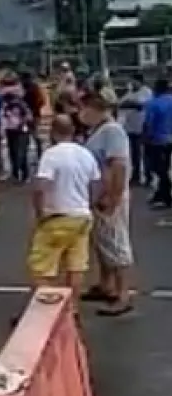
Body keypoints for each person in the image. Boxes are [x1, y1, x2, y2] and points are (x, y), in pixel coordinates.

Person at [26, 116, 101, 294]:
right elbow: (96, 184)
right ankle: (72, 308)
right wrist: (89, 204)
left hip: (57, 216)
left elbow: (40, 187)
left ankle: (47, 306)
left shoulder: (51, 155)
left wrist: (40, 213)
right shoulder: (85, 154)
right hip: (81, 217)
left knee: (41, 267)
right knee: (76, 266)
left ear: (53, 132)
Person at [78, 91, 136, 316]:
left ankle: (123, 294)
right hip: (99, 195)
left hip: (109, 196)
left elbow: (118, 166)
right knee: (102, 242)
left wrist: (112, 197)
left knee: (116, 243)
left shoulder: (112, 132)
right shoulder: (99, 132)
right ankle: (106, 284)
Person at [143, 78, 172, 208]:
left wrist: (147, 138)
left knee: (159, 168)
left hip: (158, 140)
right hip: (169, 139)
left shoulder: (153, 103)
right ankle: (161, 193)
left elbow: (149, 123)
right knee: (165, 168)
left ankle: (165, 194)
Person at [120, 74, 152, 188]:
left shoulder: (146, 92)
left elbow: (139, 104)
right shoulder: (130, 92)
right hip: (130, 127)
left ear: (140, 81)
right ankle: (136, 176)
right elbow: (121, 103)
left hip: (142, 127)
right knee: (134, 154)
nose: (132, 83)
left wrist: (128, 103)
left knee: (145, 153)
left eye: (133, 81)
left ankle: (148, 177)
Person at [2, 90, 33, 184]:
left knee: (21, 154)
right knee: (12, 153)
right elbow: (5, 117)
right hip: (11, 131)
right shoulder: (7, 106)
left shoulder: (21, 105)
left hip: (21, 132)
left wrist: (21, 123)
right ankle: (15, 175)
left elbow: (28, 117)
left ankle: (25, 175)